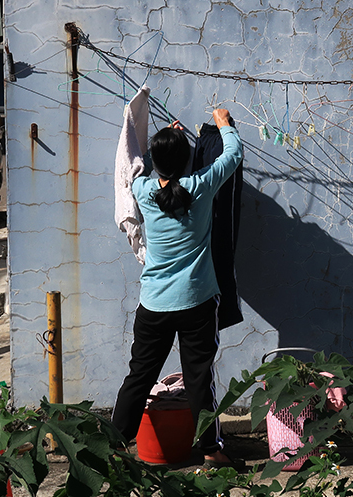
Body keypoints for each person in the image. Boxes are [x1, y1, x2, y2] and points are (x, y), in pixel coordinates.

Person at [111, 108, 243, 468]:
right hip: (197, 302)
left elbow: (141, 167)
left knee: (139, 376)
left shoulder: (142, 189)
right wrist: (223, 124)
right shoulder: (201, 186)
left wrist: (161, 146)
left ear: (157, 163)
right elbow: (233, 154)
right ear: (188, 160)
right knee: (199, 378)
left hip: (153, 303)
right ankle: (212, 450)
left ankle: (113, 445)